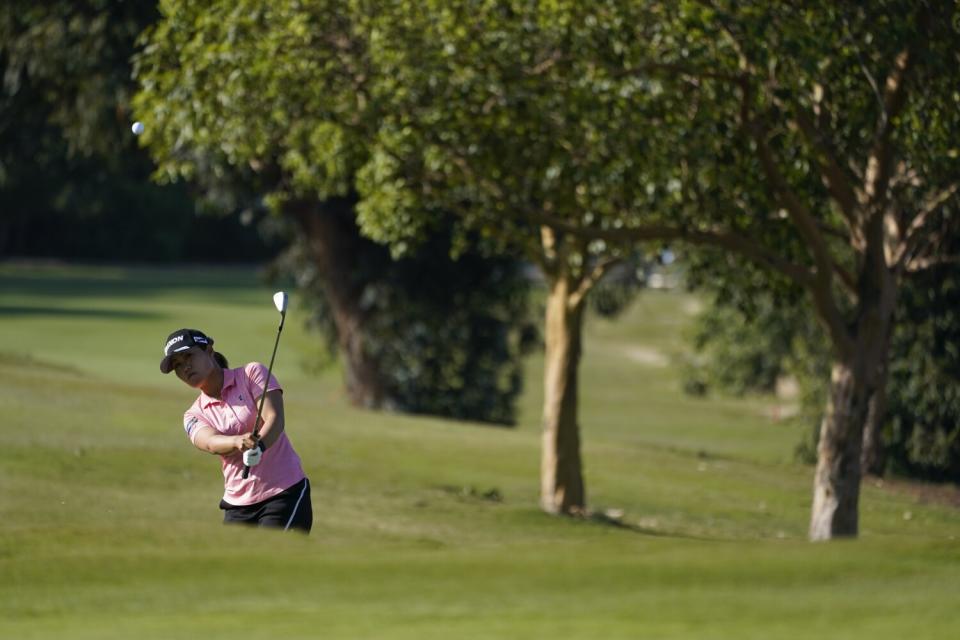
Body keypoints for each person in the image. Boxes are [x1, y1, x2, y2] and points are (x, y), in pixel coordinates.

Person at [160, 328, 312, 533]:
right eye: (177, 365)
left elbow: (274, 419)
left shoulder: (251, 374)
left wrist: (260, 446)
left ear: (209, 351)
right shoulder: (193, 415)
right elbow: (211, 443)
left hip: (284, 493)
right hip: (237, 506)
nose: (185, 367)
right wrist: (237, 441)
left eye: (189, 356)